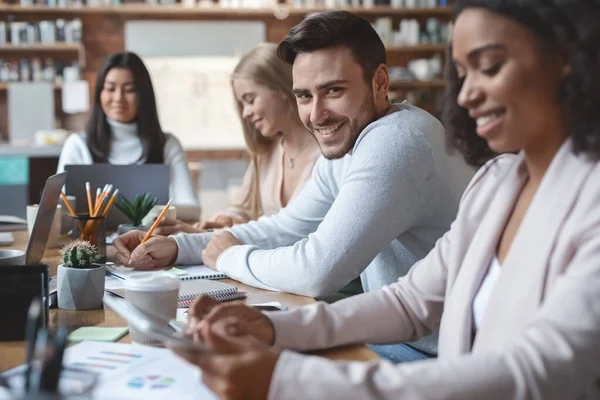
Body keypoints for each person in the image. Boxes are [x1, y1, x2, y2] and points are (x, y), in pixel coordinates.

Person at [167, 0, 600, 398]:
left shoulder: (590, 198)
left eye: (488, 67)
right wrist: (273, 326)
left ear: (567, 60)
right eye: (463, 74)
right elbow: (410, 301)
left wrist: (289, 378)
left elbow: (541, 370)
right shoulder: (499, 180)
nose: (466, 95)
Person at [114, 11, 474, 361]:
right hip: (402, 336)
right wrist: (180, 248)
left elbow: (316, 271)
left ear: (380, 82)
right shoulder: (355, 141)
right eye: (304, 95)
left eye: (333, 90)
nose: (316, 115)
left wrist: (228, 256)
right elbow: (287, 227)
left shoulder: (397, 141)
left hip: (432, 355)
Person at [154, 43, 320, 236]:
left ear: (282, 88)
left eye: (250, 100)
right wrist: (224, 221)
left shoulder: (328, 154)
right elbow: (244, 210)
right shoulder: (266, 152)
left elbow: (291, 230)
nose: (245, 113)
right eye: (241, 104)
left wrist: (207, 237)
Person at [57, 51, 200, 216]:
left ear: (143, 95)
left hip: (152, 240)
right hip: (91, 241)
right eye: (110, 88)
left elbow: (191, 209)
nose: (118, 98)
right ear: (99, 94)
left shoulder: (167, 145)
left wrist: (153, 217)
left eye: (130, 90)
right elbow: (61, 210)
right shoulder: (78, 145)